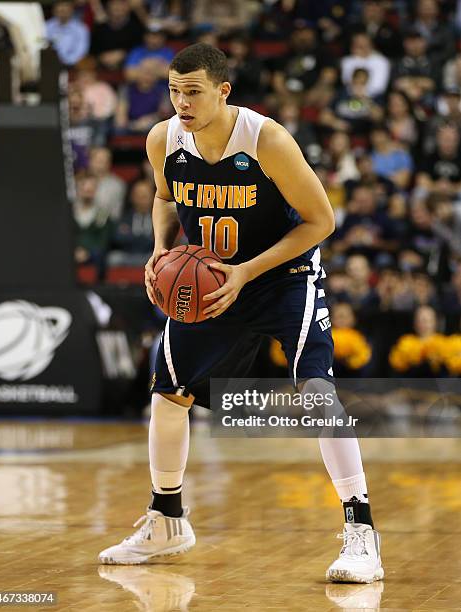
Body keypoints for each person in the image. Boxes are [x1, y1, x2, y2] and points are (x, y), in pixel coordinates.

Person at [98, 43, 384, 584]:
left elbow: (320, 221)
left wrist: (247, 273)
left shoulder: (265, 138)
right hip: (210, 279)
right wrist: (162, 249)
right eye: (174, 91)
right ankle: (167, 519)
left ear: (223, 91)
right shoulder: (164, 139)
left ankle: (361, 531)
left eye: (193, 91)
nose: (181, 102)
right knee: (168, 393)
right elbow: (164, 196)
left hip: (280, 276)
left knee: (316, 392)